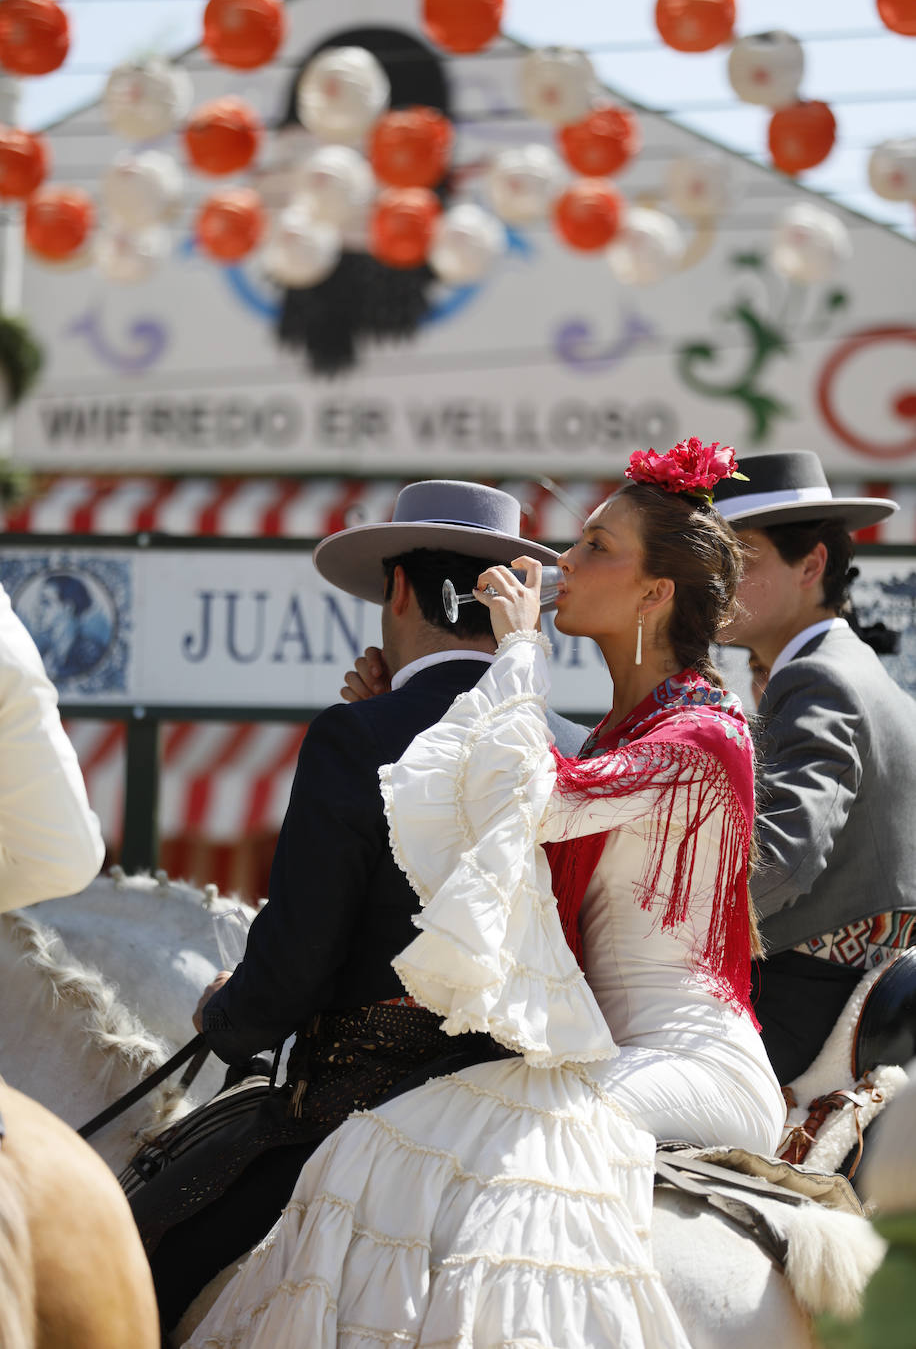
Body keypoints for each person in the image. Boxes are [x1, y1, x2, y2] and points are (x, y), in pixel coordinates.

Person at [182, 440, 784, 1349]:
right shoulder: (622, 728)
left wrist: (513, 654)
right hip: (604, 1050)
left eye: (593, 548)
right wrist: (416, 710)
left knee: (488, 1157)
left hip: (689, 1060)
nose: (559, 566)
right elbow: (499, 814)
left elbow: (530, 795)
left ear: (654, 595)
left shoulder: (702, 732)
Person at [137, 479, 584, 1336]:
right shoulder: (570, 744)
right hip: (529, 1098)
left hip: (364, 1096)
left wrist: (231, 1017)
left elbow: (299, 956)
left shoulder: (358, 737)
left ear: (401, 591)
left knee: (135, 1264)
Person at [715, 450, 916, 1086]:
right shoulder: (841, 668)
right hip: (840, 993)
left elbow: (778, 863)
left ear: (812, 563)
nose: (717, 583)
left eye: (739, 561)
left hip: (805, 1005)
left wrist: (661, 922)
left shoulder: (816, 675)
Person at [0, 580, 105, 913]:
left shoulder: (85, 649)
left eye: (47, 603)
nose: (37, 610)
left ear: (70, 609)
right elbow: (62, 858)